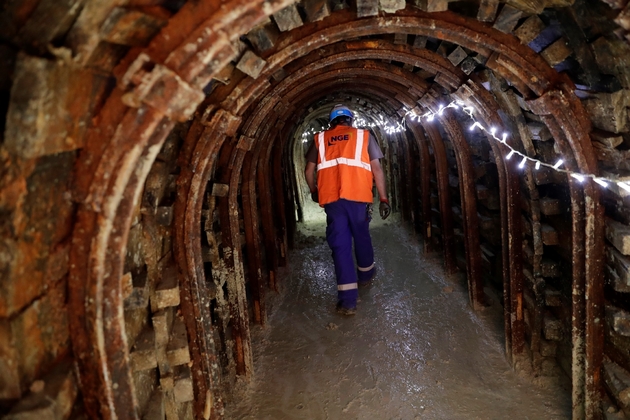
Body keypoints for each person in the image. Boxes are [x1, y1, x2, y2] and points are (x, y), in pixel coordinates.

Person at [304, 105, 391, 316]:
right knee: (361, 236)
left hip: (333, 200)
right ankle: (366, 275)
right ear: (350, 120)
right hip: (359, 197)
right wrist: (383, 198)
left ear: (331, 122)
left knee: (340, 245)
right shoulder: (364, 136)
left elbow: (308, 170)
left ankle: (348, 301)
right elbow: (376, 168)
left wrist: (314, 190)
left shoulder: (320, 139)